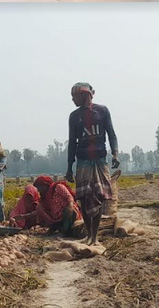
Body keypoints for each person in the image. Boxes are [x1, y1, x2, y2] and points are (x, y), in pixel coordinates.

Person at [65, 82, 119, 245]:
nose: (73, 99)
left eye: (75, 96)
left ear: (85, 95)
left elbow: (111, 135)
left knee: (98, 197)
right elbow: (72, 143)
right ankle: (89, 234)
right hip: (83, 162)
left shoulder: (102, 111)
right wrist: (69, 166)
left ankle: (94, 237)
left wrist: (115, 154)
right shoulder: (74, 116)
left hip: (100, 160)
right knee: (84, 197)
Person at [12, 176, 83, 236]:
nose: (38, 190)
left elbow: (69, 197)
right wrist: (23, 216)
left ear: (45, 185)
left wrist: (70, 207)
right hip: (56, 219)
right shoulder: (44, 199)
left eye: (40, 187)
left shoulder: (58, 187)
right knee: (39, 208)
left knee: (67, 212)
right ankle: (56, 228)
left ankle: (65, 231)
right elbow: (37, 212)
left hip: (68, 214)